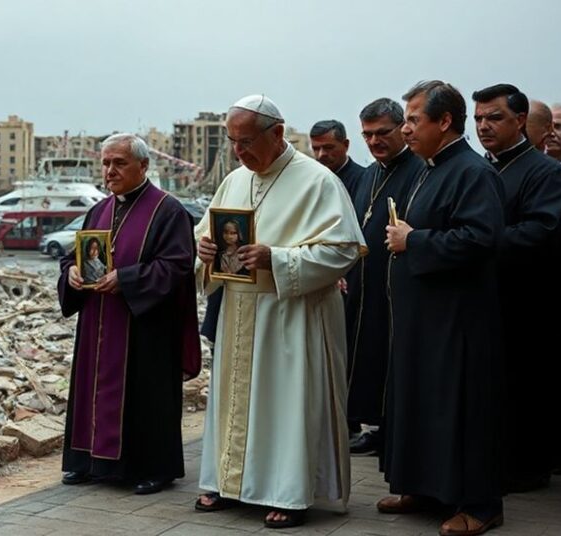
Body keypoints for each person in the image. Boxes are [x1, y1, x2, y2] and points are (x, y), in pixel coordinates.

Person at [194, 95, 364, 529]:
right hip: (239, 312)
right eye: (232, 141)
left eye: (246, 141)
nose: (239, 152)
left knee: (286, 404)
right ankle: (229, 483)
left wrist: (280, 258)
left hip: (292, 316)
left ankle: (289, 492)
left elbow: (344, 249)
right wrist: (206, 250)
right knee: (235, 401)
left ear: (277, 133)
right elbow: (206, 234)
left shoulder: (318, 181)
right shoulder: (233, 180)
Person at [381, 80, 505, 536]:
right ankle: (424, 487)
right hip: (422, 317)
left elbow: (480, 239)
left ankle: (480, 504)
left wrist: (414, 240)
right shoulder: (426, 169)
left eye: (414, 119)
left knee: (459, 408)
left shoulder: (472, 172)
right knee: (420, 401)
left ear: (444, 121)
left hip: (458, 319)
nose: (406, 129)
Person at [58, 132, 201, 496]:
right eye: (106, 163)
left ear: (143, 165)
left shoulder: (168, 210)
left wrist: (127, 279)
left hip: (145, 326)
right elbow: (76, 256)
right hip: (98, 321)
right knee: (92, 389)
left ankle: (154, 469)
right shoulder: (98, 209)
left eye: (119, 163)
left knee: (146, 396)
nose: (110, 171)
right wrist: (71, 273)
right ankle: (88, 460)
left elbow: (178, 266)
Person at [473, 84, 561, 493]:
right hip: (485, 299)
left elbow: (541, 231)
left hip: (528, 303)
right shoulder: (483, 168)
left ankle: (527, 470)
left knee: (525, 391)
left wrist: (475, 240)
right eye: (478, 119)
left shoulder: (546, 172)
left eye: (494, 118)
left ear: (519, 121)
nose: (483, 126)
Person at [343, 98, 426, 457]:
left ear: (402, 129)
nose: (374, 141)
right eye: (367, 135)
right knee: (367, 356)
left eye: (382, 133)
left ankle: (393, 427)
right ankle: (376, 424)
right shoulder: (369, 173)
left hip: (397, 286)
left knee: (391, 357)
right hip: (363, 282)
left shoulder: (420, 170)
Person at [311, 119, 365, 195]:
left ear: (346, 145)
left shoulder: (364, 180)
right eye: (316, 149)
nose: (321, 154)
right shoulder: (311, 180)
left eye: (328, 147)